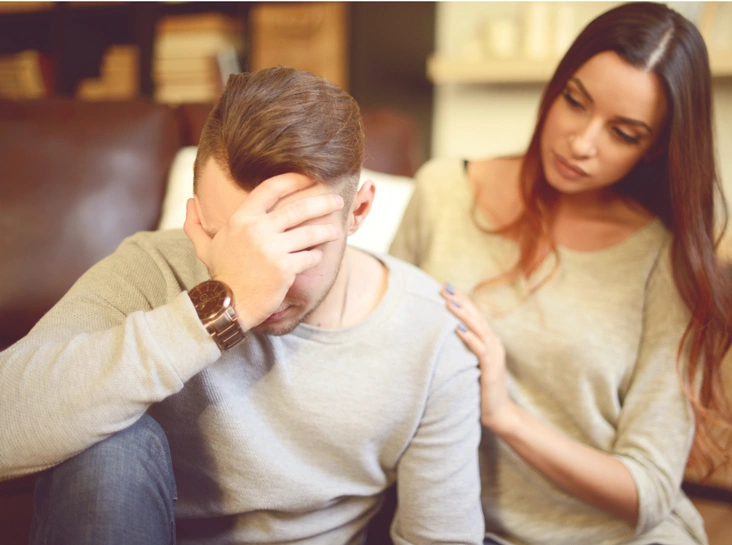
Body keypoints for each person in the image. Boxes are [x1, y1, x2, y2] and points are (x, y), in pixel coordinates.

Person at [0, 67, 485, 545]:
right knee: (105, 439)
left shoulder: (431, 337)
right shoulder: (154, 269)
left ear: (357, 212)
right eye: (229, 239)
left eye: (294, 245)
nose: (265, 276)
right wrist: (219, 308)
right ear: (196, 215)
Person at [390, 3, 732, 545]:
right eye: (575, 102)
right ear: (556, 87)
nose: (581, 143)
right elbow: (382, 354)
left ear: (654, 148)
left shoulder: (662, 259)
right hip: (453, 522)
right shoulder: (442, 192)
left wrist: (505, 415)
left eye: (623, 133)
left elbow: (648, 492)